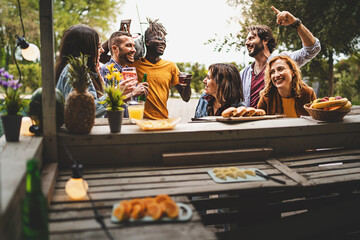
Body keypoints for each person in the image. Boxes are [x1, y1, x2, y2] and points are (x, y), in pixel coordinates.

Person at [241, 6, 321, 108]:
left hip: (276, 122)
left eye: (251, 38)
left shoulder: (283, 61)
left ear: (265, 40)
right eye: (246, 40)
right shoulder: (243, 74)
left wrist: (295, 23)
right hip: (252, 123)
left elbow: (313, 48)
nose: (247, 43)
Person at [129, 18, 192, 120]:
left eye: (164, 40)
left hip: (162, 119)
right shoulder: (134, 64)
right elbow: (105, 57)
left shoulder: (171, 66)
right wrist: (122, 34)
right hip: (139, 121)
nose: (163, 42)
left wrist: (188, 84)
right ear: (147, 42)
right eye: (158, 39)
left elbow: (186, 98)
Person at [55, 24, 107, 118]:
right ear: (86, 50)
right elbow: (82, 111)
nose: (102, 50)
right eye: (98, 46)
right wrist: (114, 97)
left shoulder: (85, 72)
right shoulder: (74, 72)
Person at [100, 31, 149, 117]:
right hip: (115, 126)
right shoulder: (107, 70)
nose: (134, 50)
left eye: (134, 46)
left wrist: (139, 95)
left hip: (129, 125)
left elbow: (131, 103)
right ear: (115, 49)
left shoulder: (129, 71)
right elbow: (105, 105)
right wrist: (133, 93)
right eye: (128, 45)